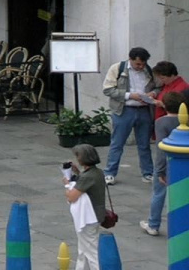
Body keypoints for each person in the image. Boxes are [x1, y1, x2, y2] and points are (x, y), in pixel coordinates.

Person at [103, 46, 156, 185]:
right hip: (124, 110)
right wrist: (130, 95)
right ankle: (109, 173)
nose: (140, 67)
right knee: (117, 143)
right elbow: (108, 90)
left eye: (143, 64)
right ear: (130, 59)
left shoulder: (148, 70)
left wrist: (152, 94)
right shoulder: (117, 68)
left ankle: (148, 173)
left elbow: (157, 86)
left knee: (144, 144)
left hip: (144, 110)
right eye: (138, 64)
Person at [144, 88, 185, 236]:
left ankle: (153, 224)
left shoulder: (161, 122)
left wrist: (160, 170)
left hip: (167, 162)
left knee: (158, 194)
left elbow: (161, 148)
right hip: (184, 161)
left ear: (165, 106)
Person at [64, 144, 108, 270]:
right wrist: (77, 172)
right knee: (83, 249)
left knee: (91, 250)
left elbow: (71, 197)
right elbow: (86, 182)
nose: (77, 158)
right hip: (96, 214)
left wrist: (67, 184)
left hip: (88, 217)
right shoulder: (98, 172)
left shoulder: (87, 177)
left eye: (78, 156)